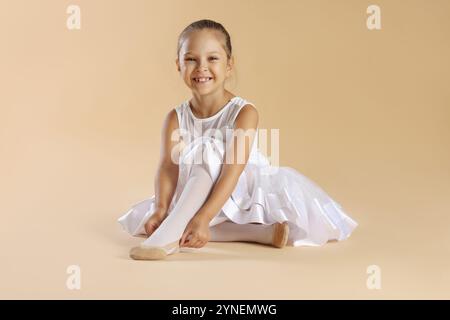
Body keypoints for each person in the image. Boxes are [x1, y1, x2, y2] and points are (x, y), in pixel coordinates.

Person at [118, 19, 358, 260]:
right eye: (191, 59)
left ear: (229, 65)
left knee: (208, 148)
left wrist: (204, 217)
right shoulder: (175, 117)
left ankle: (168, 237)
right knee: (146, 219)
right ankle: (258, 234)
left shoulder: (244, 113)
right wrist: (160, 208)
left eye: (213, 59)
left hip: (238, 189)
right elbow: (168, 168)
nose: (201, 67)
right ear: (178, 65)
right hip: (196, 189)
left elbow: (232, 171)